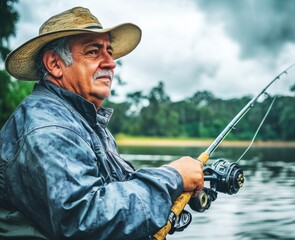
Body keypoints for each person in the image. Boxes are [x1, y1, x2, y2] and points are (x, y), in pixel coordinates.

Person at [0, 6, 204, 239]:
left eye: (109, 51)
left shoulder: (82, 119)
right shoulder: (49, 128)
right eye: (93, 52)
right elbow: (85, 219)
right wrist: (173, 178)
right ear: (55, 64)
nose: (111, 63)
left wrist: (172, 182)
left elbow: (115, 189)